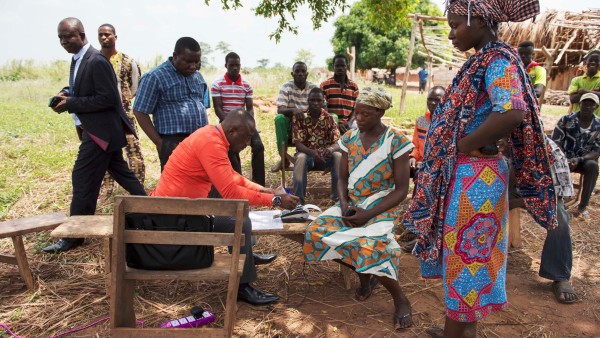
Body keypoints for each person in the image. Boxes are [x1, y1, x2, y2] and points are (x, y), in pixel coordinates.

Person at [402, 1, 557, 337]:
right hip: (469, 177)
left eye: (457, 25)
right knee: (462, 264)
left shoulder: (498, 61)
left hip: (476, 180)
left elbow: (511, 112)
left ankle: (457, 332)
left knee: (467, 266)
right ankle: (455, 331)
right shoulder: (483, 60)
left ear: (481, 21)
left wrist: (461, 144)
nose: (451, 32)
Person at [151, 109, 300, 305]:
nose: (248, 144)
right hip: (176, 219)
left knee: (238, 217)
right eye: (247, 137)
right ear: (232, 130)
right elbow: (231, 192)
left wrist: (268, 191)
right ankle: (243, 286)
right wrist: (276, 201)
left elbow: (234, 177)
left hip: (182, 212)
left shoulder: (211, 136)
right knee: (240, 222)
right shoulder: (210, 143)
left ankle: (245, 257)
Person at [303, 87, 414, 330]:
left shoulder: (396, 142)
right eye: (357, 113)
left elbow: (401, 190)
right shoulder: (350, 139)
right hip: (351, 203)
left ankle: (400, 299)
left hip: (380, 206)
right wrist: (344, 205)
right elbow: (341, 179)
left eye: (365, 115)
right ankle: (366, 275)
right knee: (315, 233)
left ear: (380, 112)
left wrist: (368, 214)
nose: (358, 119)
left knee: (372, 246)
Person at [44, 18, 146, 253]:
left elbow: (108, 98)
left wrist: (71, 103)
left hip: (100, 134)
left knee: (82, 180)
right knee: (126, 177)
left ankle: (74, 234)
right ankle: (156, 210)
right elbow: (87, 89)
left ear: (81, 34)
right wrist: (67, 93)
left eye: (68, 36)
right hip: (100, 133)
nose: (63, 42)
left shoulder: (96, 60)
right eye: (60, 37)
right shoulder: (79, 59)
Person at [505, 137, 578, 304]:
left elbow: (554, 195)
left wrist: (512, 202)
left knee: (559, 219)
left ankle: (559, 276)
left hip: (542, 193)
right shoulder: (493, 140)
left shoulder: (546, 150)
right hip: (507, 187)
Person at [133, 37, 210, 171]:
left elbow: (203, 105)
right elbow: (140, 111)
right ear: (175, 56)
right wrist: (159, 142)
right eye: (188, 61)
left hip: (199, 139)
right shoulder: (155, 77)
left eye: (196, 62)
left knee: (201, 183)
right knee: (176, 187)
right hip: (173, 141)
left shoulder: (197, 76)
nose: (193, 66)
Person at [97, 23, 145, 200]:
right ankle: (107, 190)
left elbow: (134, 87)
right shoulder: (94, 60)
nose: (104, 38)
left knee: (134, 151)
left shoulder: (127, 61)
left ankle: (138, 189)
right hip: (102, 117)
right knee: (106, 153)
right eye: (101, 35)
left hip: (124, 115)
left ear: (115, 37)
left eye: (108, 34)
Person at [212, 52, 265, 185]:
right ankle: (239, 184)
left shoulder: (246, 85)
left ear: (240, 66)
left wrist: (250, 125)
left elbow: (250, 108)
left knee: (258, 146)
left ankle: (259, 184)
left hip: (245, 124)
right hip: (226, 125)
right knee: (232, 151)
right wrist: (230, 125)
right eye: (231, 65)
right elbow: (218, 109)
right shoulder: (217, 84)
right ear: (226, 66)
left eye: (237, 65)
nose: (235, 68)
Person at [552, 92, 600, 221]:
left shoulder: (598, 125)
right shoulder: (566, 120)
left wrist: (580, 159)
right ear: (580, 104)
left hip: (584, 160)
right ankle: (556, 202)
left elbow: (597, 151)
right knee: (554, 163)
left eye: (591, 105)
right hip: (565, 157)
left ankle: (583, 207)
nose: (587, 107)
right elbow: (556, 141)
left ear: (596, 107)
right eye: (585, 104)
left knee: (593, 166)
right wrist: (563, 158)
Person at [292, 88, 341, 204]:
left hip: (325, 156)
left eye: (318, 100)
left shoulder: (329, 118)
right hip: (307, 156)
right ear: (308, 101)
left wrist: (330, 149)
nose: (315, 103)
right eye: (312, 100)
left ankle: (338, 200)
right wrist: (312, 153)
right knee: (300, 158)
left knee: (338, 156)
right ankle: (299, 202)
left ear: (323, 101)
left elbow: (337, 142)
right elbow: (298, 143)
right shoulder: (299, 117)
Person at [271, 61, 318, 172]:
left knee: (331, 117)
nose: (300, 74)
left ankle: (326, 157)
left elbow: (323, 107)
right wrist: (294, 110)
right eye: (297, 71)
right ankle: (284, 158)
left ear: (307, 74)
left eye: (303, 71)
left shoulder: (313, 88)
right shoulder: (286, 87)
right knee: (279, 119)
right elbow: (280, 109)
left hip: (310, 125)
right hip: (291, 125)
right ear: (292, 74)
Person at [409, 86, 445, 177]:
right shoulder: (421, 121)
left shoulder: (450, 123)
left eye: (437, 100)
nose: (433, 103)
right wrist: (413, 157)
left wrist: (426, 163)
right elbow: (416, 146)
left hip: (440, 167)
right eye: (430, 99)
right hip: (420, 164)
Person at [320, 54, 359, 134]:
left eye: (342, 65)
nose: (340, 68)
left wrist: (350, 122)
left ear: (346, 66)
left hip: (349, 124)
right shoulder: (325, 85)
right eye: (337, 66)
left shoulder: (354, 86)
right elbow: (323, 108)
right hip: (330, 122)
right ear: (333, 66)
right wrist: (335, 124)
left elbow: (356, 108)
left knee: (359, 137)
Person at [568, 50, 600, 116]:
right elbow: (573, 99)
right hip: (577, 119)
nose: (593, 63)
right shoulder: (576, 80)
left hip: (597, 120)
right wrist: (594, 93)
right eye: (590, 60)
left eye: (596, 61)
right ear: (586, 63)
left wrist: (584, 91)